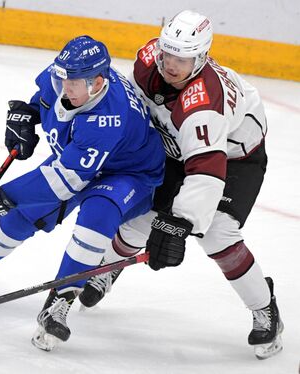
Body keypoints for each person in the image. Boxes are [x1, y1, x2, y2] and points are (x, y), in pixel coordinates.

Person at [0, 35, 166, 351]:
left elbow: (63, 180)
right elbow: (43, 97)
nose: (64, 87)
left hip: (130, 173)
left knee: (96, 214)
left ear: (98, 83)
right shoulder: (66, 74)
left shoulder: (108, 119)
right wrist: (27, 115)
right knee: (23, 214)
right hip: (80, 158)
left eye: (73, 83)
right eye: (62, 78)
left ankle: (60, 301)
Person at [78, 10, 283, 359]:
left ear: (200, 58)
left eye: (182, 58)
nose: (170, 64)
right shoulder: (148, 60)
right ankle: (107, 271)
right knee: (143, 215)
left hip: (233, 159)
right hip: (178, 148)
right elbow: (136, 108)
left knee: (218, 233)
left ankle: (265, 308)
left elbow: (206, 167)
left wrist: (180, 221)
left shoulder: (203, 103)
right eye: (167, 52)